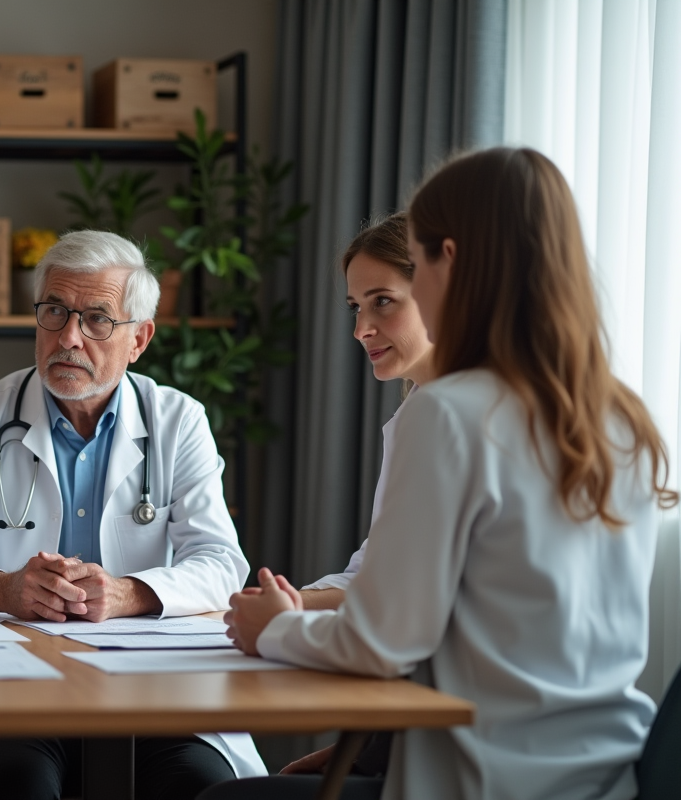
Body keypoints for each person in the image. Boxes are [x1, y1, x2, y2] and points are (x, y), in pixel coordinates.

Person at [214, 147, 676, 800]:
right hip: (604, 778)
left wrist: (274, 630)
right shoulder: (621, 416)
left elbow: (385, 643)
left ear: (448, 259)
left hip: (483, 780)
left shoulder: (450, 414)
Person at [0, 229, 265, 798]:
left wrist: (128, 593)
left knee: (198, 788)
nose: (68, 337)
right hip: (14, 693)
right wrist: (0, 587)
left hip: (154, 693)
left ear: (138, 339)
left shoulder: (178, 421)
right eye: (54, 312)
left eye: (97, 319)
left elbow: (220, 563)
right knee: (17, 786)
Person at [300, 211, 433, 614]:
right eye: (356, 306)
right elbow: (376, 569)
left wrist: (290, 611)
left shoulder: (477, 419)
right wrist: (289, 601)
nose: (361, 329)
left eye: (383, 302)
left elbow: (417, 593)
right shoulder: (415, 415)